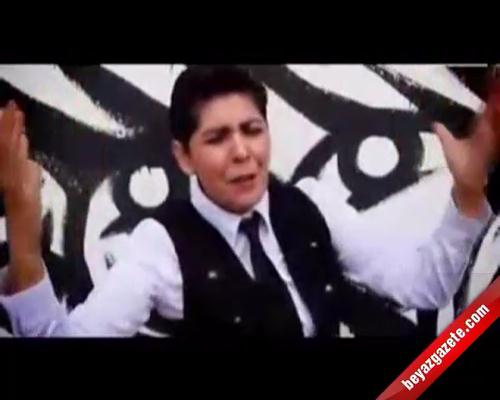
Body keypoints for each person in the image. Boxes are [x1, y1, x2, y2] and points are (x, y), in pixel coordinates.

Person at [0, 66, 496, 337]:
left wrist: (468, 195)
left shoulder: (311, 204)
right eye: (217, 137)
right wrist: (23, 240)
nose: (242, 152)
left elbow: (421, 286)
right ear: (184, 156)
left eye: (252, 130)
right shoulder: (160, 245)